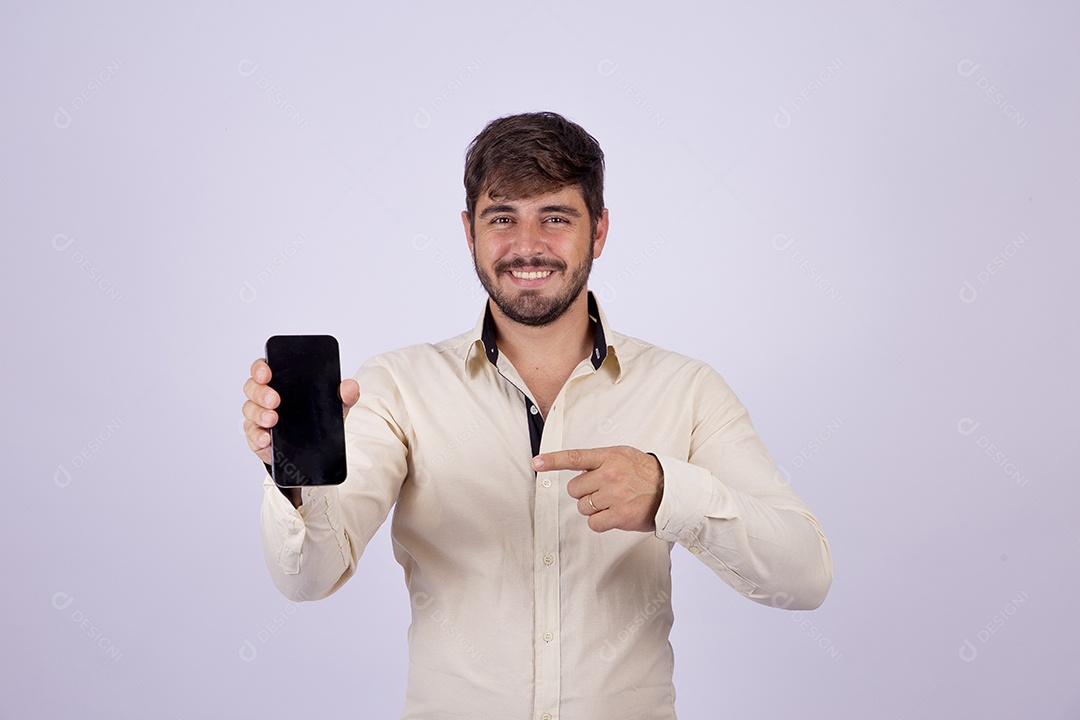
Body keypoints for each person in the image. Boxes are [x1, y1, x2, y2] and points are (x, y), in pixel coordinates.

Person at [242, 111, 832, 719]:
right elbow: (308, 578)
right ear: (469, 231)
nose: (528, 247)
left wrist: (668, 492)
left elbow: (804, 574)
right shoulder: (396, 387)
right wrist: (291, 475)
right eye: (503, 218)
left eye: (556, 217)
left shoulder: (687, 389)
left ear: (599, 232)